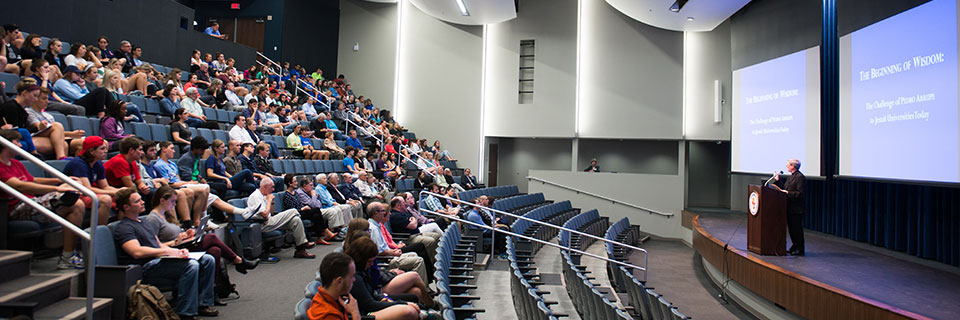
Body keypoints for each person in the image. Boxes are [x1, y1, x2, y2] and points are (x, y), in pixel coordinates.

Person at [0, 129, 106, 269]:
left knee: (76, 201)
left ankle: (67, 254)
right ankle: (59, 201)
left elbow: (33, 180)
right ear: (6, 144)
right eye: (17, 142)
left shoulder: (16, 164)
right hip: (17, 207)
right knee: (74, 202)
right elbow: (20, 186)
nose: (21, 145)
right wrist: (57, 188)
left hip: (33, 203)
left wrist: (59, 180)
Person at [112, 188, 219, 319]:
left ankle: (203, 304)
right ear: (126, 207)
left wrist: (177, 250)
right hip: (147, 266)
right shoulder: (124, 227)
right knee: (191, 265)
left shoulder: (143, 222)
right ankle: (185, 312)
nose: (142, 202)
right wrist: (166, 251)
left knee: (208, 259)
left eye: (141, 199)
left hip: (160, 260)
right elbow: (136, 252)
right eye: (137, 201)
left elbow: (158, 244)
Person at [144, 186, 258, 304]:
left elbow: (175, 234)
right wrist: (175, 242)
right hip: (173, 251)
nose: (174, 205)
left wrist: (185, 234)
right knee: (212, 238)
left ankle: (212, 293)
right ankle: (239, 261)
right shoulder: (153, 219)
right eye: (172, 201)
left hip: (182, 245)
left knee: (215, 251)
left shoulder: (167, 215)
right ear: (162, 200)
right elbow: (155, 245)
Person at [343, 236, 428, 320]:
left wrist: (383, 299)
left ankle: (426, 312)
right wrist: (402, 303)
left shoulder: (363, 270)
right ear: (361, 259)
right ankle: (429, 308)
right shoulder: (355, 278)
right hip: (366, 313)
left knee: (415, 293)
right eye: (370, 261)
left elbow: (372, 294)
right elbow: (369, 304)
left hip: (375, 299)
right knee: (409, 311)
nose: (372, 264)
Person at [246, 178, 316, 258]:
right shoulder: (255, 196)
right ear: (265, 186)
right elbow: (265, 215)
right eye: (271, 187)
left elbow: (271, 213)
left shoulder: (265, 195)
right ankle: (303, 239)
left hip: (270, 221)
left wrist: (272, 202)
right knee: (293, 211)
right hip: (262, 224)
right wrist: (269, 201)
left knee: (295, 220)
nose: (273, 189)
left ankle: (300, 249)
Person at [365, 204, 433, 284]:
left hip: (390, 254)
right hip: (386, 259)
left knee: (414, 254)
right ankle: (424, 289)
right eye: (383, 211)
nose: (385, 213)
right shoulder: (374, 229)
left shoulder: (376, 226)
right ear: (376, 213)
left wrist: (393, 251)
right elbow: (380, 251)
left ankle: (422, 284)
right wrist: (394, 252)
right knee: (418, 261)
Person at [281, 175, 335, 244]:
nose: (297, 183)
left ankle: (319, 238)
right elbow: (291, 210)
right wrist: (302, 208)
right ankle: (326, 231)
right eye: (294, 181)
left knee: (316, 215)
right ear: (289, 183)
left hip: (302, 211)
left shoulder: (295, 193)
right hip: (296, 213)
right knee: (316, 210)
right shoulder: (287, 195)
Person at [307, 252, 361, 320]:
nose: (354, 280)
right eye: (351, 276)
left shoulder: (327, 297)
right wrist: (355, 313)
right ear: (339, 281)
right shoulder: (328, 315)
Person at [774, 159, 806, 256]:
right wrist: (777, 181)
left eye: (788, 165)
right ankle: (794, 246)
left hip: (796, 208)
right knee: (792, 229)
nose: (787, 166)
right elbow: (784, 188)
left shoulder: (800, 177)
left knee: (797, 229)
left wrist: (788, 193)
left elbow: (800, 193)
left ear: (793, 166)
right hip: (789, 207)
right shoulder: (791, 177)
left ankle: (799, 248)